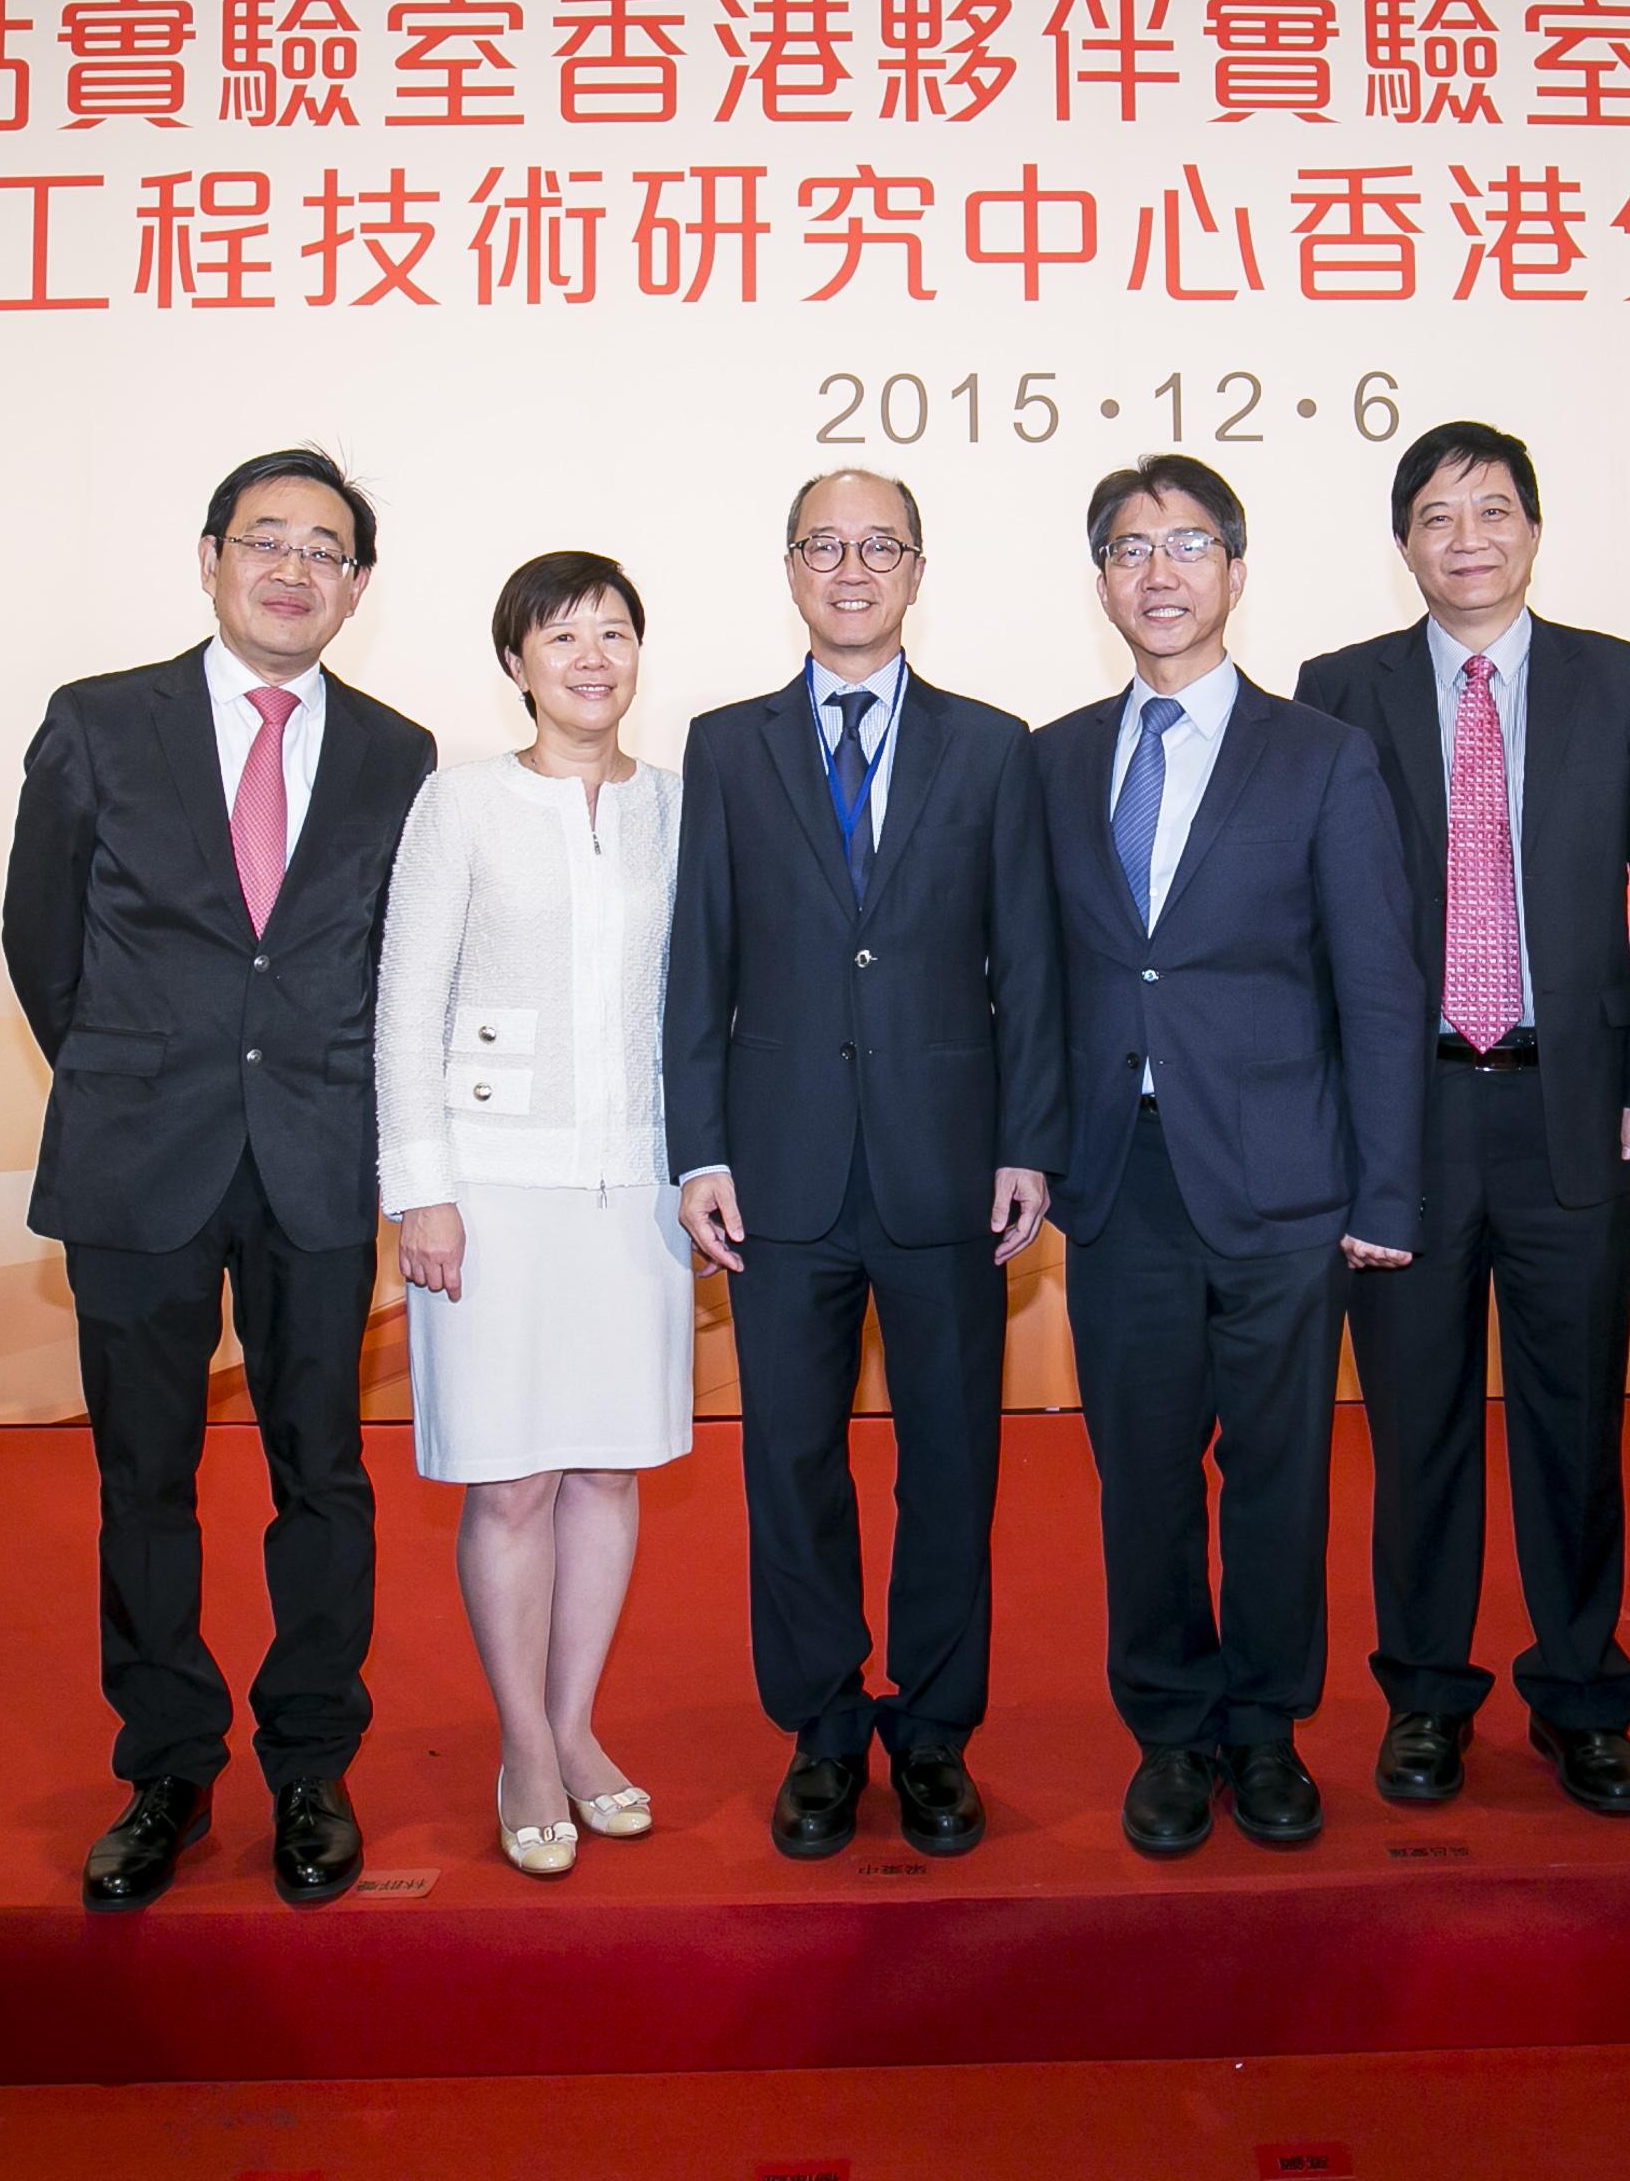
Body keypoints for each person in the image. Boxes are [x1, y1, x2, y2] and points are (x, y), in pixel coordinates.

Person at [3, 445, 436, 1911]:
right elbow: (39, 941)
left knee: (324, 1475)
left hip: (316, 1158)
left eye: (327, 549)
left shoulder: (398, 752)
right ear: (210, 556)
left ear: (358, 587)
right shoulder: (99, 722)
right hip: (139, 1159)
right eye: (268, 539)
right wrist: (139, 1068)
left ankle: (312, 1763)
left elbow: (399, 962)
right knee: (147, 1479)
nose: (294, 568)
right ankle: (169, 1767)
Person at [1293, 420, 1630, 1819]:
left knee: (1573, 1425)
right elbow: (1308, 928)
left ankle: (1583, 1697)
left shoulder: (1620, 683)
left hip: (1571, 1113)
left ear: (1534, 529)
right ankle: (1423, 1697)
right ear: (1402, 542)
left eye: (1491, 512)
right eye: (1434, 517)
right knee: (1416, 1430)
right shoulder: (1336, 693)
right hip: (1404, 1123)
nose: (1465, 539)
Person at [1029, 453, 1428, 1857]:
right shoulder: (1057, 757)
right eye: (1132, 548)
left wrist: (1387, 1187)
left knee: (1275, 1468)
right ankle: (1171, 1731)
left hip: (1279, 1176)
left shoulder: (1319, 755)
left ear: (1235, 573)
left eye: (1189, 544)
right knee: (1140, 1472)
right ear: (1102, 582)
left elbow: (1379, 984)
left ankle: (1265, 1731)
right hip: (1119, 1176)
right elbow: (1029, 980)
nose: (1160, 571)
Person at [668, 470, 1067, 1861]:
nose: (853, 567)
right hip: (776, 1176)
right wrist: (698, 1148)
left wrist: (1029, 1140)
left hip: (947, 1168)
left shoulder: (992, 747)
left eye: (878, 545)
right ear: (788, 569)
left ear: (917, 569)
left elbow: (1030, 965)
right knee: (789, 1459)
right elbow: (695, 969)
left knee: (951, 1460)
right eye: (825, 546)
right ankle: (826, 1729)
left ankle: (939, 1733)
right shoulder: (724, 748)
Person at [375, 552, 692, 1880]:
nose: (592, 658)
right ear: (516, 659)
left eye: (615, 633)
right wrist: (421, 1192)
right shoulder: (460, 803)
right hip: (490, 1194)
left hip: (641, 1188)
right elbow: (406, 1003)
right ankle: (521, 1742)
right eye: (563, 636)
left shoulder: (683, 807)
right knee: (510, 1481)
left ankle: (576, 1725)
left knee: (608, 1467)